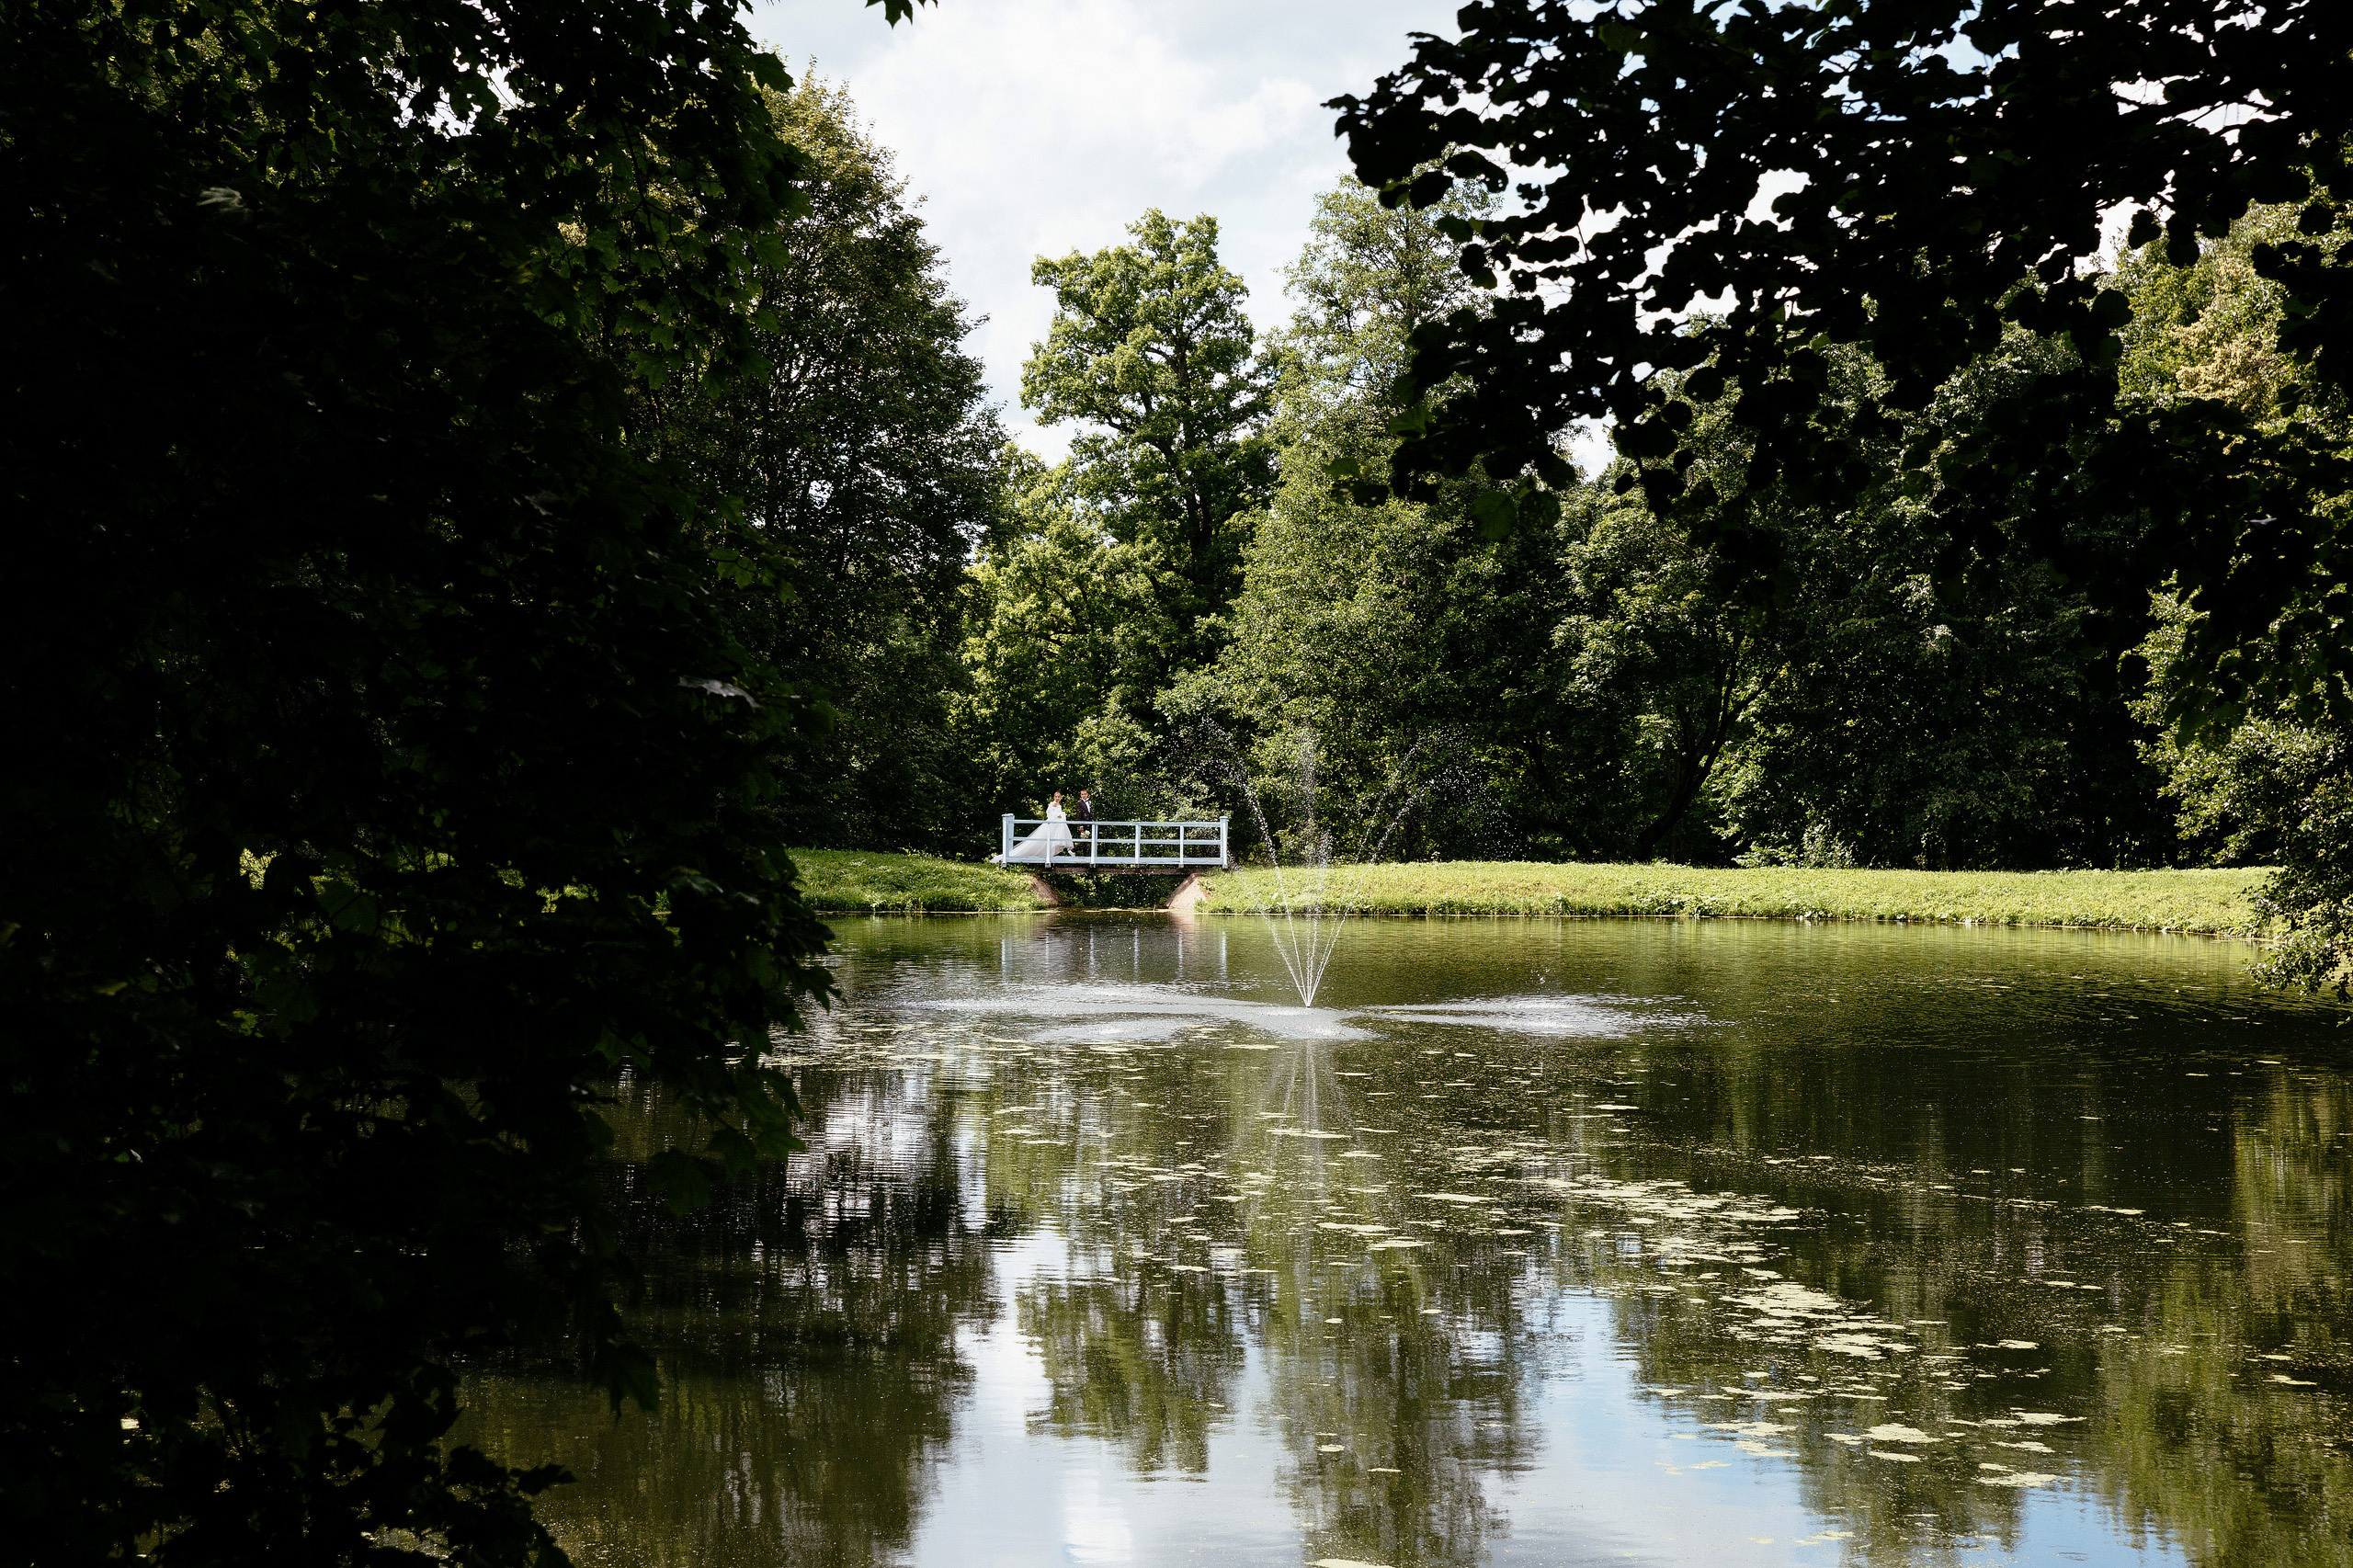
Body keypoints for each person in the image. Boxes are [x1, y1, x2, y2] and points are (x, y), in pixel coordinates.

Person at [998, 790, 1075, 864]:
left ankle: (1049, 854)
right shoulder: (1053, 803)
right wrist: (1057, 816)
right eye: (1056, 796)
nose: (1057, 798)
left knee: (1052, 839)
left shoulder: (1058, 804)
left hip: (1057, 824)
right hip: (1053, 823)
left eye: (1058, 797)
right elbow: (1049, 812)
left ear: (1061, 797)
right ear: (1054, 797)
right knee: (1043, 839)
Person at [1074, 788, 1095, 863]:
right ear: (1081, 795)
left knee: (1086, 842)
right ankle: (1073, 850)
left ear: (1087, 794)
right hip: (1084, 824)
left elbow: (1089, 813)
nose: (1084, 795)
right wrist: (1081, 825)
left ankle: (1085, 857)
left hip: (1089, 824)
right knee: (1084, 840)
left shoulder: (1089, 803)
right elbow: (1079, 815)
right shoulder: (1079, 803)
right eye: (1082, 794)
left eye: (1085, 794)